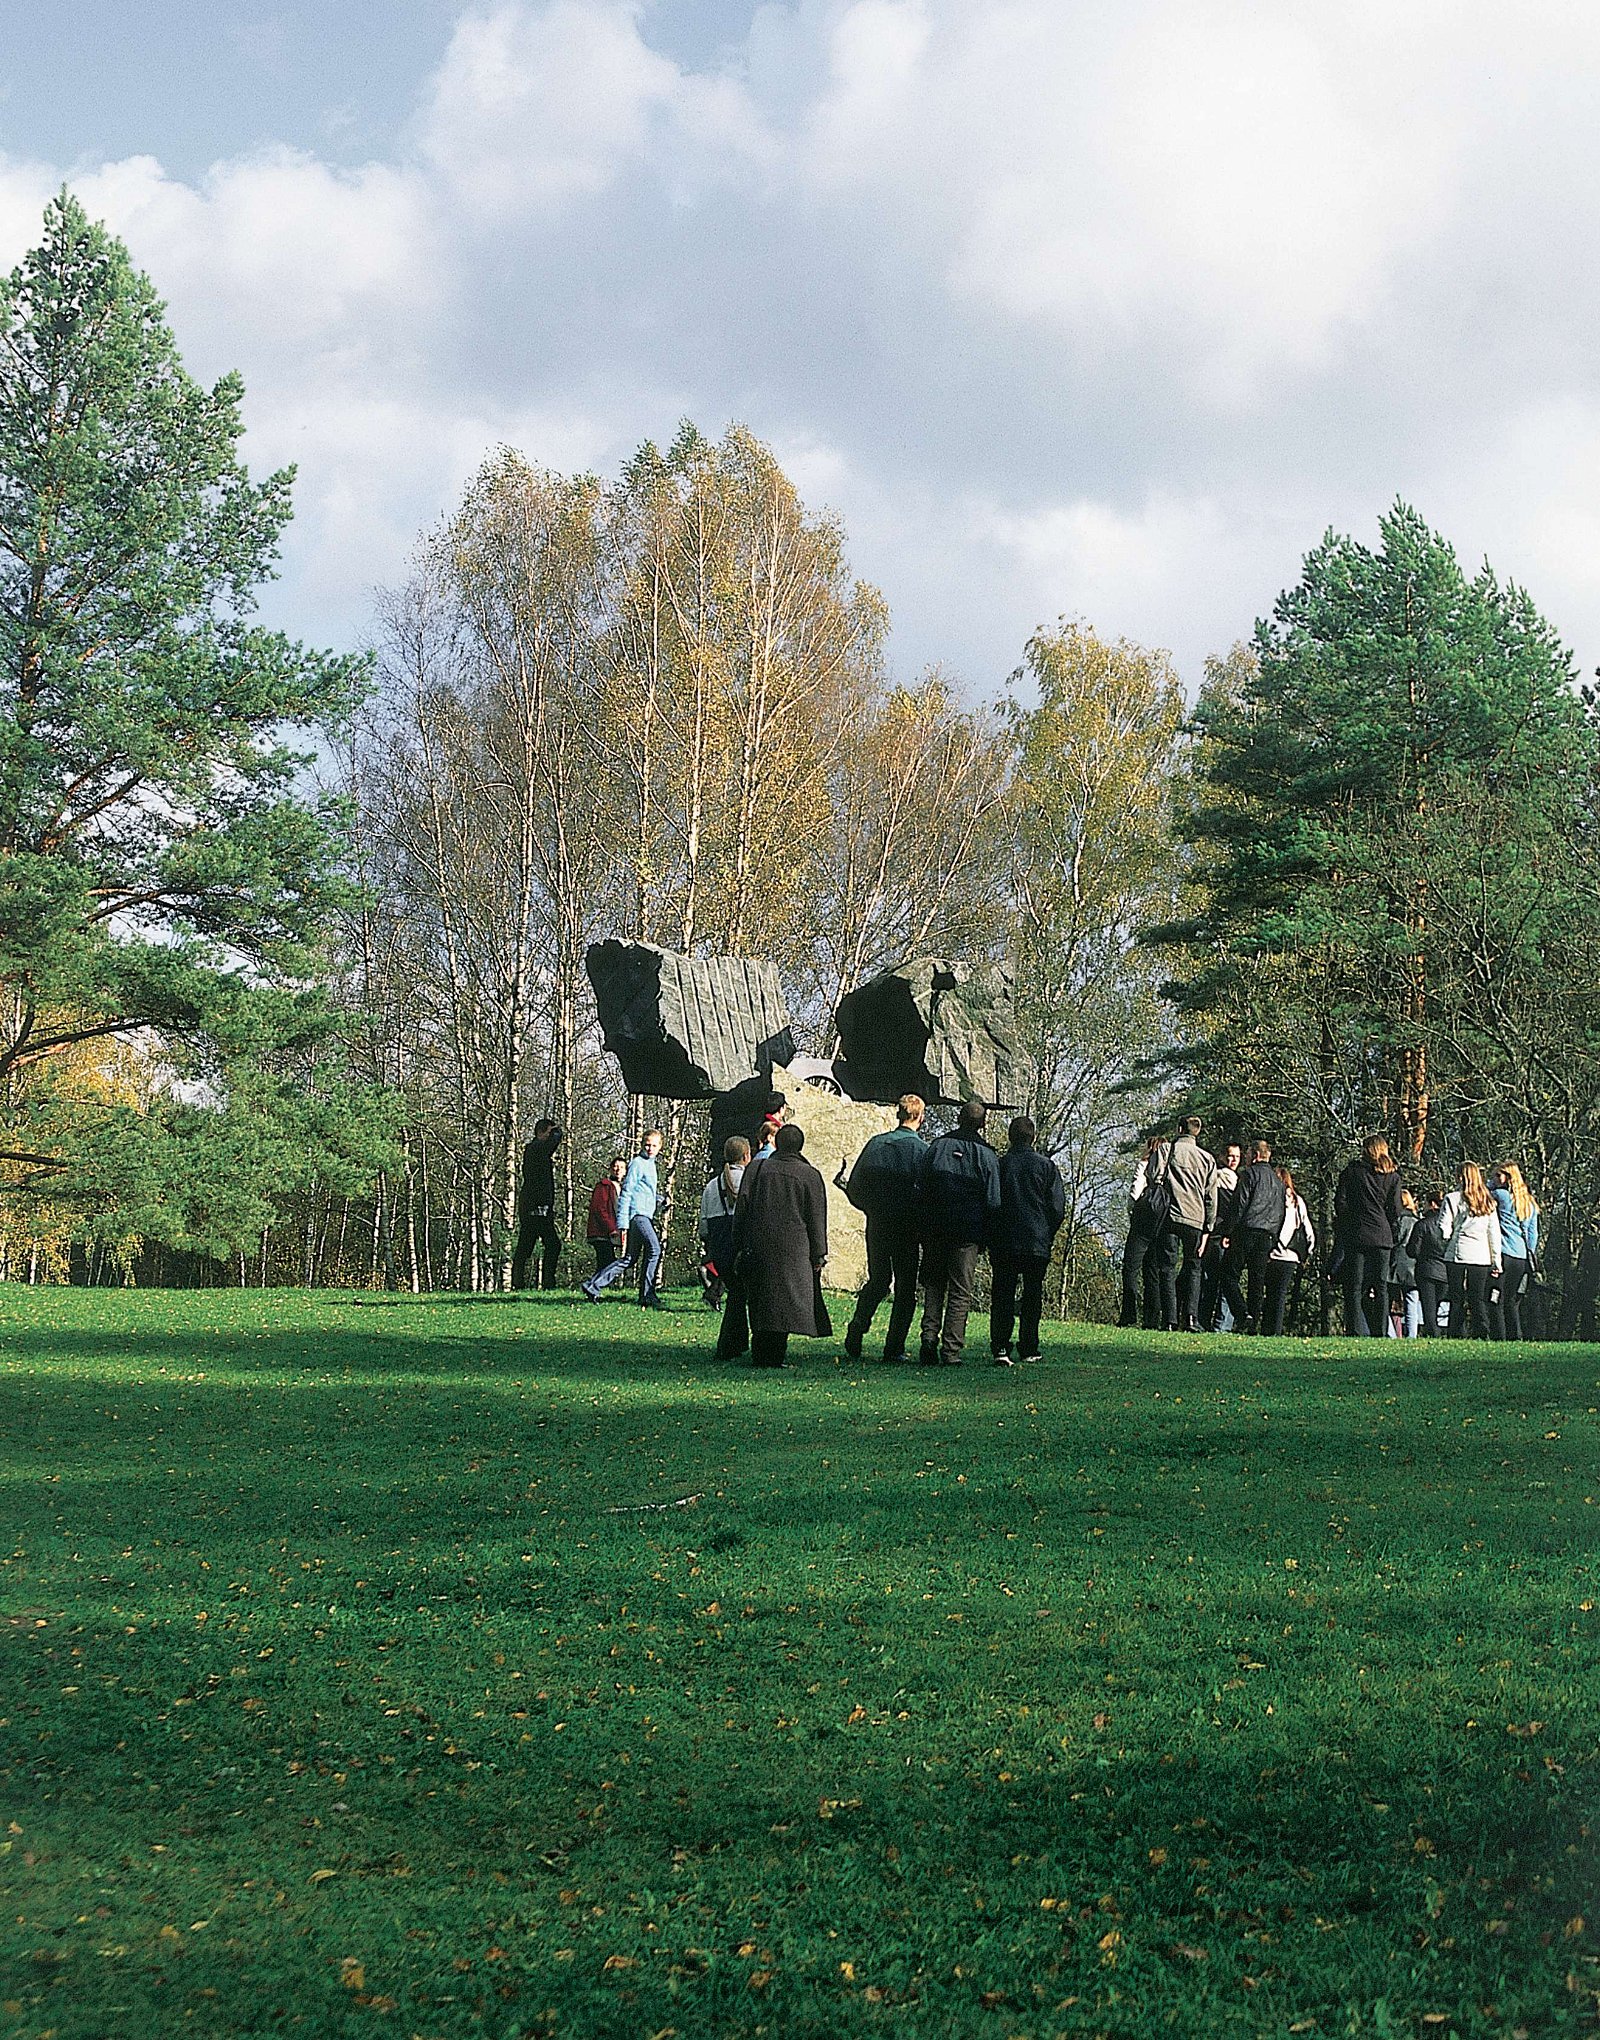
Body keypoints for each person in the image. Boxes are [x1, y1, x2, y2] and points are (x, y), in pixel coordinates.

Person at [733, 1123, 829, 1367]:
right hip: (795, 1249)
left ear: (776, 1143)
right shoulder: (809, 1175)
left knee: (762, 1300)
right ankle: (774, 1355)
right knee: (785, 1303)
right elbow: (816, 1218)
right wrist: (819, 1253)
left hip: (759, 1242)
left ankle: (762, 1353)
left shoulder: (758, 1167)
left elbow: (742, 1206)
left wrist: (739, 1240)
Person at [842, 1094, 928, 1362]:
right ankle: (894, 1347)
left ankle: (858, 1325)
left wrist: (870, 1208)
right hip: (907, 1227)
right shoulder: (921, 1151)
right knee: (905, 1288)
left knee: (878, 1280)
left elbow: (854, 1185)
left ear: (898, 1114)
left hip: (878, 1222)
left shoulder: (876, 1144)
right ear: (920, 1117)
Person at [917, 1099, 1002, 1365]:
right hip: (968, 1232)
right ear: (982, 1124)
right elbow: (994, 1201)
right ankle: (951, 1350)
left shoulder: (937, 1146)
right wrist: (987, 1235)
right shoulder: (987, 1156)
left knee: (933, 1285)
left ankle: (928, 1339)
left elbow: (921, 1186)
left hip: (936, 1227)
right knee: (960, 1290)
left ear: (958, 1119)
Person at [990, 1116, 1066, 1364]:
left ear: (1010, 1137)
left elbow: (991, 1202)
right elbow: (1057, 1207)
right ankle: (1029, 1346)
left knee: (1002, 1294)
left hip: (1005, 1239)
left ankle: (1001, 1346)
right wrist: (1047, 1232)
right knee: (1033, 1295)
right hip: (1036, 1239)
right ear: (1033, 1137)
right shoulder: (1046, 1166)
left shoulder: (1000, 1165)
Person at [582, 1129, 667, 1309]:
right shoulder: (637, 1163)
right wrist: (622, 1223)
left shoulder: (650, 1165)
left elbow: (644, 1191)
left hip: (643, 1214)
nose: (650, 1148)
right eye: (647, 1145)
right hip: (638, 1216)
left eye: (654, 1145)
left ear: (660, 1147)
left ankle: (592, 1286)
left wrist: (660, 1199)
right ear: (642, 1145)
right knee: (654, 1250)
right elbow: (627, 1192)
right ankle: (647, 1294)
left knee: (629, 1258)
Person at [1334, 1134, 1403, 1336]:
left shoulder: (1352, 1172)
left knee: (1355, 1286)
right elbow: (1396, 1209)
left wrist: (1349, 1221)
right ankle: (1380, 1331)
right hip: (1382, 1236)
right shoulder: (1393, 1177)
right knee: (1381, 1287)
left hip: (1358, 1234)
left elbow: (1341, 1202)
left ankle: (1355, 1330)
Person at [1159, 1115, 1219, 1333]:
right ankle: (1192, 1318)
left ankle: (1169, 1319)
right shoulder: (1207, 1159)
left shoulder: (1167, 1150)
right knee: (1194, 1267)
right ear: (1197, 1132)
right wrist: (1208, 1226)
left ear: (1179, 1128)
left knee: (1167, 1266)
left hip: (1170, 1216)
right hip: (1196, 1218)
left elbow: (1154, 1176)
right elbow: (1211, 1196)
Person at [1219, 1139, 1287, 1333]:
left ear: (1255, 1156)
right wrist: (1275, 1236)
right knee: (1257, 1280)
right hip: (1268, 1234)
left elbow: (1239, 1205)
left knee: (1228, 1273)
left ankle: (1242, 1314)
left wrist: (1228, 1231)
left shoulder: (1249, 1175)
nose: (1245, 1158)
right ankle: (1253, 1322)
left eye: (1247, 1154)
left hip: (1248, 1230)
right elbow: (1281, 1212)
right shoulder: (1278, 1182)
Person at [1441, 1162, 1502, 1339]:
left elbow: (1444, 1226)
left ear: (1460, 1176)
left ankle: (1455, 1332)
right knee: (1477, 1297)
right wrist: (1496, 1261)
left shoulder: (1453, 1198)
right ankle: (1482, 1331)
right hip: (1481, 1255)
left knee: (1456, 1296)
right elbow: (1494, 1233)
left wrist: (1445, 1240)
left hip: (1457, 1252)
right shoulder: (1488, 1201)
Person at [1120, 1134, 1171, 1330]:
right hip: (1162, 1219)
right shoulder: (1169, 1170)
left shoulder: (1145, 1164)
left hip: (1143, 1218)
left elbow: (1135, 1189)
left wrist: (1132, 1212)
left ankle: (1129, 1313)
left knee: (1131, 1267)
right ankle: (1152, 1318)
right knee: (1153, 1270)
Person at [511, 1119, 564, 1289]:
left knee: (527, 1246)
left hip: (536, 1207)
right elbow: (553, 1143)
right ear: (541, 1133)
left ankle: (520, 1282)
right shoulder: (535, 1149)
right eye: (548, 1133)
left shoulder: (536, 1150)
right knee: (549, 1245)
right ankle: (546, 1282)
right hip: (535, 1208)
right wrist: (557, 1132)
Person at [1491, 1163, 1540, 1341]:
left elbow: (1484, 1190)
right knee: (1511, 1299)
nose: (1494, 1179)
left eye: (1498, 1175)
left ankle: (1499, 1335)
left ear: (1507, 1177)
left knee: (1495, 1296)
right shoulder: (1529, 1203)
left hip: (1504, 1253)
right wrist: (1530, 1254)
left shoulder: (1500, 1195)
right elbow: (1533, 1234)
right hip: (1521, 1257)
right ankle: (1515, 1335)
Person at [1264, 1167, 1315, 1335]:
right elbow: (1308, 1231)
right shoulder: (1297, 1201)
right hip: (1291, 1255)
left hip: (1271, 1253)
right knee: (1280, 1294)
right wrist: (1307, 1253)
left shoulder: (1271, 1198)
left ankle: (1266, 1329)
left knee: (1269, 1294)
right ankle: (1276, 1331)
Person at [700, 1136, 749, 1308]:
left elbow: (704, 1225)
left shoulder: (712, 1185)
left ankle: (712, 1286)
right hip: (740, 1242)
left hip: (719, 1242)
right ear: (746, 1156)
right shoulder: (750, 1181)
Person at [1200, 1141, 1243, 1331]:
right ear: (1222, 1157)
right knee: (1222, 1281)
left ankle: (1204, 1320)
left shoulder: (1214, 1177)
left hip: (1215, 1234)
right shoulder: (1226, 1180)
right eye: (1230, 1156)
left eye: (1237, 1157)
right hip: (1220, 1236)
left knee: (1211, 1281)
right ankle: (1221, 1325)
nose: (1233, 1160)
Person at [1411, 1192, 1449, 1336]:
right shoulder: (1449, 1224)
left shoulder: (1422, 1225)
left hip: (1426, 1269)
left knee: (1428, 1307)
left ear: (1432, 1204)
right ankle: (1437, 1331)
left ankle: (1432, 1332)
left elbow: (1413, 1249)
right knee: (1438, 1304)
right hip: (1445, 1271)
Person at [585, 1155, 625, 1277]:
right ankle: (593, 1287)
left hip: (611, 1233)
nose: (618, 1170)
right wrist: (611, 1228)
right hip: (601, 1232)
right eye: (615, 1167)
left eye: (622, 1167)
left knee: (606, 1263)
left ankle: (595, 1288)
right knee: (607, 1262)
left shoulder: (622, 1188)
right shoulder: (604, 1186)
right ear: (610, 1169)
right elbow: (599, 1209)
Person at [1389, 1190, 1423, 1338]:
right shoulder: (1418, 1220)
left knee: (1388, 1301)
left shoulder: (1397, 1220)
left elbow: (1394, 1239)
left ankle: (1391, 1334)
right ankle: (1412, 1335)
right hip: (1413, 1265)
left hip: (1396, 1263)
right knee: (1412, 1303)